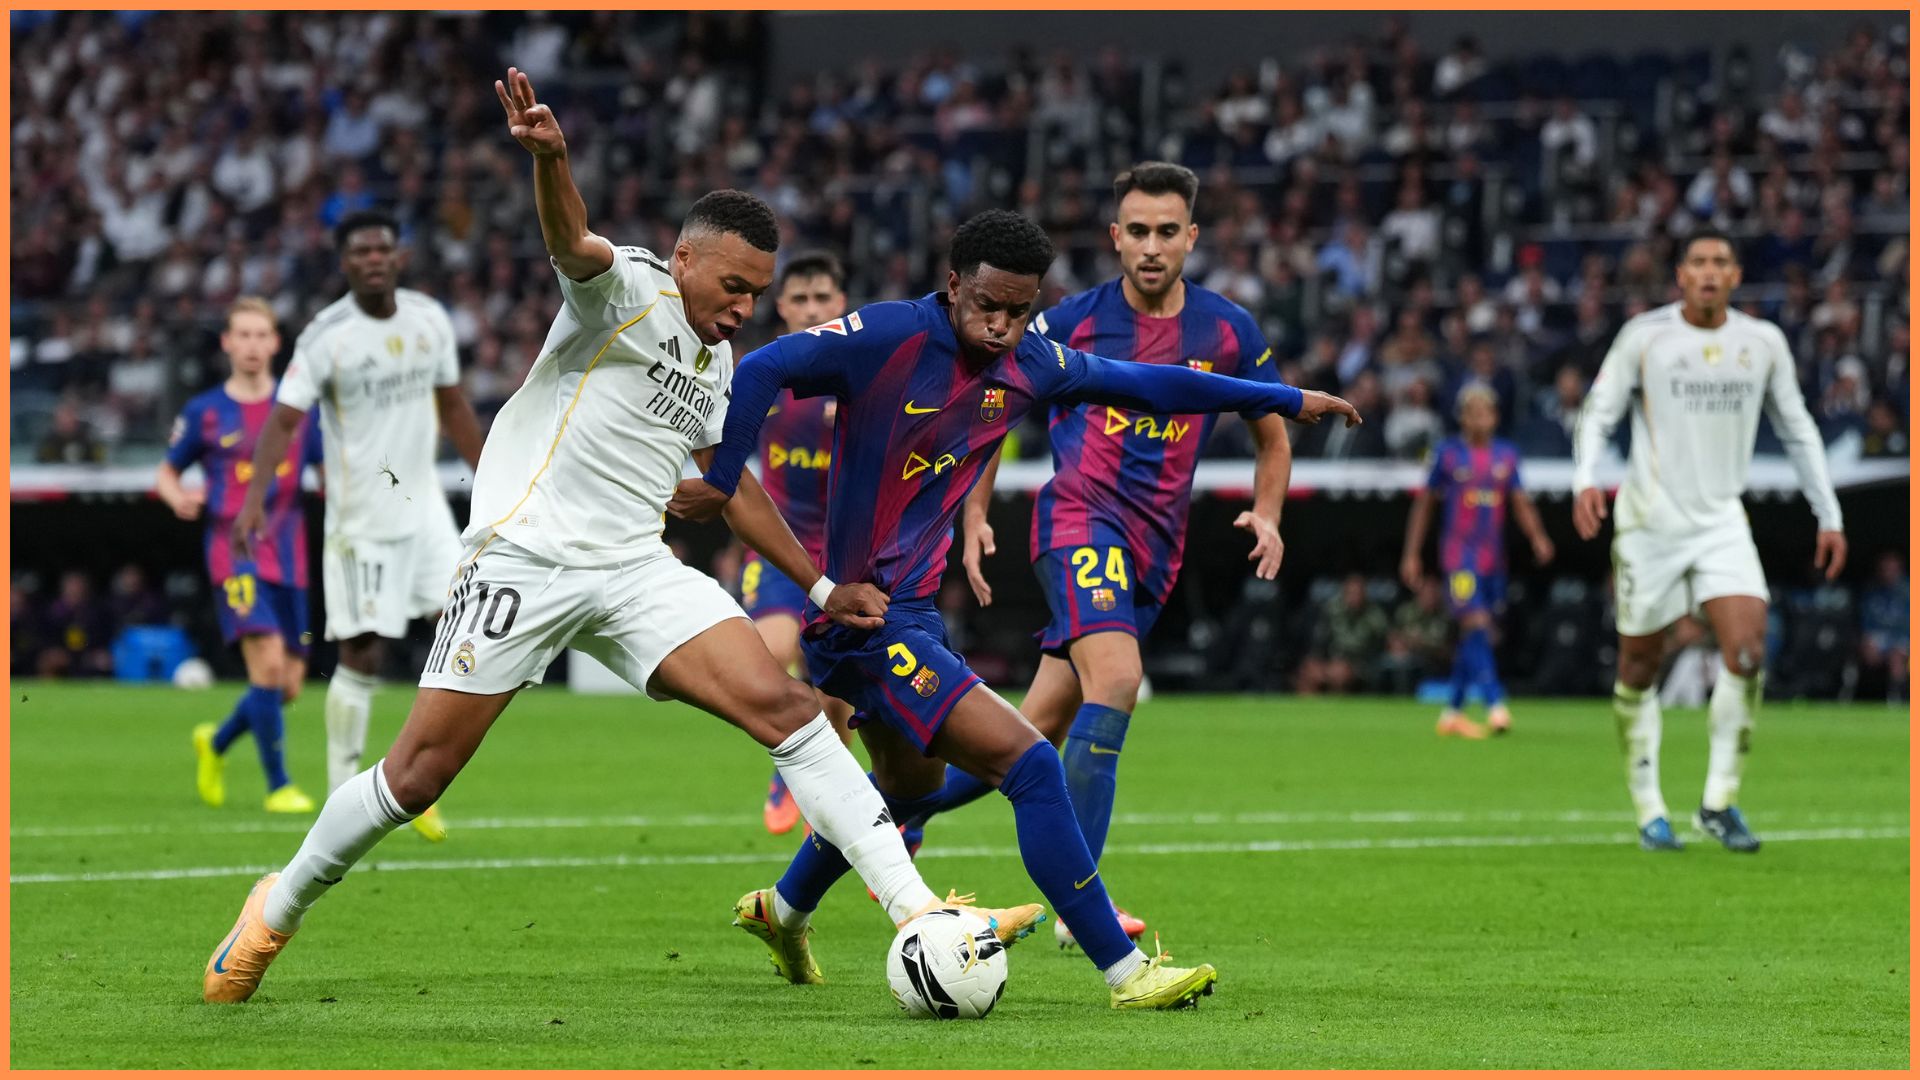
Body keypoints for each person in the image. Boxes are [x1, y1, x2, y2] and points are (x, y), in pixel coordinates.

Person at [202, 68, 1038, 1008]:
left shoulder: (719, 360)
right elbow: (573, 239)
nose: (743, 310)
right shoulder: (627, 290)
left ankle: (917, 913)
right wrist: (553, 164)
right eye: (732, 285)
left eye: (756, 295)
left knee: (792, 713)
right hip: (526, 556)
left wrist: (815, 589)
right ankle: (279, 903)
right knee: (418, 775)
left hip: (637, 569)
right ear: (683, 260)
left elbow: (734, 489)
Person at [676, 208, 1360, 1009]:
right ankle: (1126, 972)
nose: (1001, 327)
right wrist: (722, 482)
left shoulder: (1033, 362)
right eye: (987, 307)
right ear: (955, 284)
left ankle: (782, 909)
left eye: (1019, 311)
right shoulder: (887, 338)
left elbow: (1151, 384)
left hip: (914, 613)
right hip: (862, 620)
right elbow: (763, 368)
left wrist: (1283, 397)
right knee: (1032, 762)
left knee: (904, 791)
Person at [897, 162, 1295, 950]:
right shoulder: (1068, 322)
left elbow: (1271, 429)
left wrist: (1270, 512)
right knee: (1118, 679)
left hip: (1154, 550)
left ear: (1192, 237)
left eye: (1166, 232)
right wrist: (973, 515)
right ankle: (1089, 913)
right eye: (1136, 231)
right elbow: (994, 412)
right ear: (1116, 238)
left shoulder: (1228, 331)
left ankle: (875, 814)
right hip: (1080, 519)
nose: (1151, 247)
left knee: (1024, 737)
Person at [1573, 227, 1846, 853]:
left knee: (1748, 648)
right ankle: (1649, 808)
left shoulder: (1763, 342)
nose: (1708, 271)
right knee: (1640, 663)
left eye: (1720, 262)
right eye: (1697, 261)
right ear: (1680, 275)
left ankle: (1719, 801)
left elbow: (1800, 429)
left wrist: (1827, 513)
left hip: (1722, 520)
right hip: (1649, 524)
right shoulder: (1645, 337)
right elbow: (1599, 410)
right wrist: (1587, 479)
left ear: (1736, 275)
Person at [232, 208, 485, 843]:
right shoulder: (326, 335)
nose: (374, 259)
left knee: (457, 633)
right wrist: (255, 497)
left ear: (398, 255)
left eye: (382, 248)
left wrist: (492, 476)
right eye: (360, 251)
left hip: (424, 506)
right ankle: (345, 790)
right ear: (345, 263)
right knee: (363, 650)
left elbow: (452, 405)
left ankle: (413, 779)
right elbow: (285, 421)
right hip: (360, 521)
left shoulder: (428, 319)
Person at [158, 298, 322, 813]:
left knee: (288, 684)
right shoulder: (204, 411)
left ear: (276, 344)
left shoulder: (299, 410)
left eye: (261, 336)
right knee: (268, 664)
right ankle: (279, 787)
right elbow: (167, 472)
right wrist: (178, 496)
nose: (252, 345)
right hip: (235, 552)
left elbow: (332, 465)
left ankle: (217, 742)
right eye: (242, 336)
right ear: (227, 343)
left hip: (291, 554)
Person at [748, 252, 858, 835]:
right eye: (801, 299)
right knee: (768, 654)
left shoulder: (861, 375)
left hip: (845, 554)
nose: (813, 309)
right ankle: (786, 766)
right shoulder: (762, 375)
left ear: (840, 305)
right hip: (777, 547)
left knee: (838, 706)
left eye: (823, 298)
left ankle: (835, 816)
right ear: (782, 306)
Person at [1400, 384, 1554, 737]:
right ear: (1463, 417)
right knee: (1477, 623)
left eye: (1486, 412)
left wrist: (1538, 536)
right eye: (1473, 412)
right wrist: (1411, 553)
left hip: (1492, 560)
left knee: (1477, 634)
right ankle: (1495, 705)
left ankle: (1452, 712)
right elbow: (1425, 505)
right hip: (1459, 557)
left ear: (1496, 417)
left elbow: (1519, 500)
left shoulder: (1506, 456)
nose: (1480, 419)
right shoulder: (1448, 454)